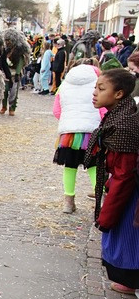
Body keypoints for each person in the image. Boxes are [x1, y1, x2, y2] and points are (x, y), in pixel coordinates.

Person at [84, 68, 139, 296]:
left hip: (130, 194)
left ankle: (133, 283)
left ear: (118, 94)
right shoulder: (118, 116)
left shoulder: (124, 126)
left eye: (101, 88)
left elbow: (124, 174)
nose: (95, 93)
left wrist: (106, 216)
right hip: (123, 188)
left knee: (128, 242)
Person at [52, 59, 101, 214]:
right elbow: (104, 110)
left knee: (70, 166)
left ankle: (68, 202)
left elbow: (56, 111)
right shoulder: (99, 85)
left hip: (69, 133)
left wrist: (70, 121)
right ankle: (101, 201)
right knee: (95, 166)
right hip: (92, 132)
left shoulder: (64, 86)